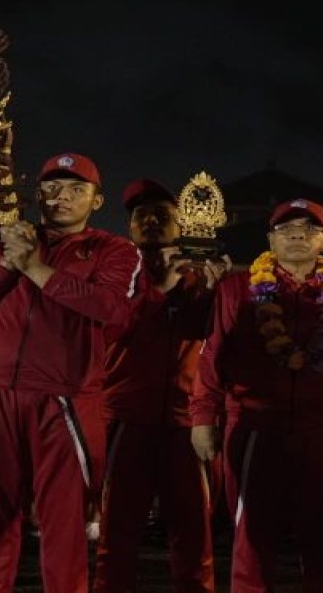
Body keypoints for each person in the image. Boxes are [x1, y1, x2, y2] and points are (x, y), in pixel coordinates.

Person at [0, 152, 141, 593]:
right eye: (53, 188)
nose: (63, 197)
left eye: (77, 189)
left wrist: (35, 268)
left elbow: (112, 310)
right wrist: (6, 262)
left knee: (65, 528)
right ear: (37, 194)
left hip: (66, 398)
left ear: (97, 201)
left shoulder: (115, 249)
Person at [189, 198, 323, 592]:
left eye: (309, 229)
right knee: (252, 539)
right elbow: (213, 356)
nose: (298, 235)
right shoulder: (237, 290)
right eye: (286, 229)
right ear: (269, 239)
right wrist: (202, 417)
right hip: (254, 428)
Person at [93, 178, 228, 593]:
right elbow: (111, 326)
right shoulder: (116, 269)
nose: (150, 222)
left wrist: (214, 289)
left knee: (192, 530)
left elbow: (215, 334)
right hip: (125, 416)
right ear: (129, 226)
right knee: (117, 531)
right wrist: (159, 289)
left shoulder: (200, 275)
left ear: (182, 222)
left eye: (162, 215)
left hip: (186, 421)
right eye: (140, 215)